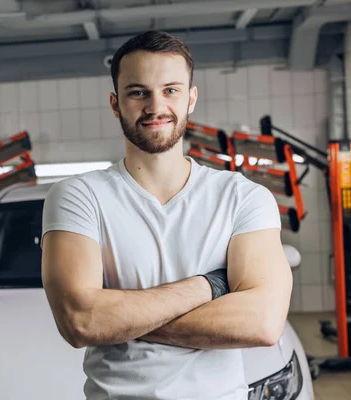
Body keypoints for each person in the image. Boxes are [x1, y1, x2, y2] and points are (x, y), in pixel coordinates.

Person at [40, 30, 293, 400]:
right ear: (115, 104)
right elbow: (81, 321)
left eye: (170, 90)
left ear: (191, 99)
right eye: (138, 92)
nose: (155, 106)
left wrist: (119, 319)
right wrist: (209, 286)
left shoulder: (242, 197)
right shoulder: (79, 196)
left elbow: (263, 323)